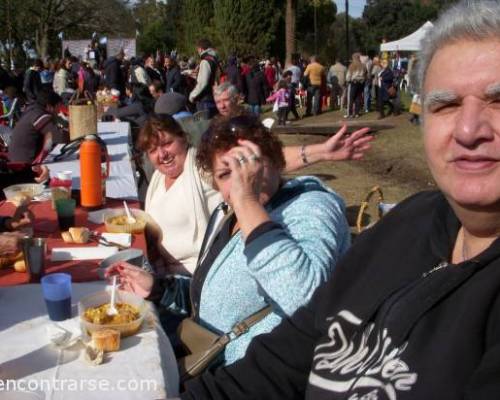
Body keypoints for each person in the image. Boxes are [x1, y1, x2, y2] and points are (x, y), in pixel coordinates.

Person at [179, 2, 500, 398]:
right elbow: (290, 352)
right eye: (446, 104)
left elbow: (300, 296)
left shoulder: (310, 207)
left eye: (497, 100)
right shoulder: (407, 224)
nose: (469, 130)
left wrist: (248, 204)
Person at [107, 114, 352, 367]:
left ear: (276, 160)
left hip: (250, 375)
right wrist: (158, 288)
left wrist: (247, 198)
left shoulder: (311, 207)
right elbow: (205, 298)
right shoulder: (226, 214)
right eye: (226, 174)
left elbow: (304, 302)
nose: (239, 181)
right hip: (204, 351)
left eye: (246, 164)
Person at [135, 111, 372, 276]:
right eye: (153, 150)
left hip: (191, 277)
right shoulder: (158, 178)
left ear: (183, 138)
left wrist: (320, 152)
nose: (161, 154)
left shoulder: (198, 166)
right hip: (163, 273)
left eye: (166, 144)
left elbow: (254, 162)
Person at [8, 90, 67, 164]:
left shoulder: (32, 111)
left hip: (18, 158)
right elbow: (58, 137)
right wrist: (75, 134)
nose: (59, 111)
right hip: (24, 163)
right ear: (49, 106)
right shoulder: (39, 115)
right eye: (58, 107)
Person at [189, 39, 219, 118]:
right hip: (212, 97)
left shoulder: (205, 61)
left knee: (204, 127)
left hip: (204, 99)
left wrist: (192, 95)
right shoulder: (214, 59)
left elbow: (203, 82)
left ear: (200, 48)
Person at [345, 52, 367, 118]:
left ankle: (350, 113)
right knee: (358, 98)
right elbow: (365, 74)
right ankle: (357, 113)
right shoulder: (363, 65)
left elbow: (348, 76)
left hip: (353, 83)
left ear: (354, 58)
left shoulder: (352, 65)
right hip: (360, 83)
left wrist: (348, 80)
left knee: (351, 98)